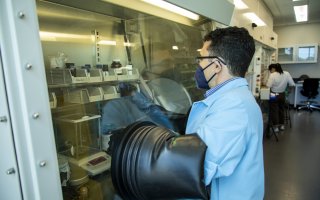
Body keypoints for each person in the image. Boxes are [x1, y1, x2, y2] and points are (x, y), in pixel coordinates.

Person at [185, 27, 264, 200]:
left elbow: (194, 166)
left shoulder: (233, 107)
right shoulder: (236, 98)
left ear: (216, 66)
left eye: (201, 59)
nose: (199, 66)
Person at [266, 63, 295, 132]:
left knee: (274, 110)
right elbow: (292, 84)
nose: (270, 71)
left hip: (273, 94)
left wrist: (267, 82)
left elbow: (268, 85)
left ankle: (275, 127)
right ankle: (282, 126)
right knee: (281, 109)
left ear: (273, 69)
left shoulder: (272, 75)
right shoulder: (286, 73)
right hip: (282, 94)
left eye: (270, 70)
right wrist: (288, 92)